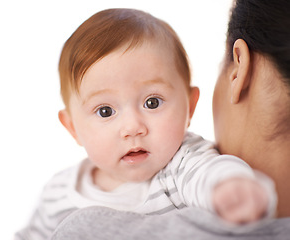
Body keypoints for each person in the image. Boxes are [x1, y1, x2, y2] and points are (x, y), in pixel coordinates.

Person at [15, 7, 278, 240]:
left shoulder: (178, 167)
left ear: (190, 106)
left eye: (152, 103)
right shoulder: (58, 193)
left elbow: (209, 172)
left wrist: (232, 186)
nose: (133, 128)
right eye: (105, 111)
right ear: (72, 127)